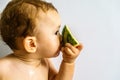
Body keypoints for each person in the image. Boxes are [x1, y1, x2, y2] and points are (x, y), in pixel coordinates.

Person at [0, 0, 83, 80]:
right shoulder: (3, 68)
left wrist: (68, 62)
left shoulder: (45, 63)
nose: (61, 37)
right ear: (31, 44)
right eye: (56, 32)